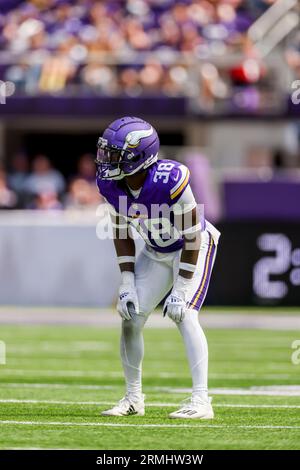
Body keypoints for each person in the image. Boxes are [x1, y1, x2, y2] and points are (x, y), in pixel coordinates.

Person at [96, 116, 220, 419]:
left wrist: (180, 289)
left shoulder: (171, 179)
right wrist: (126, 281)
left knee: (185, 314)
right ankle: (133, 399)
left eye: (115, 155)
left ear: (139, 156)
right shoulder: (111, 186)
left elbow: (192, 234)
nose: (107, 160)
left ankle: (201, 401)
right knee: (131, 316)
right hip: (155, 251)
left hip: (192, 249)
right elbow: (121, 231)